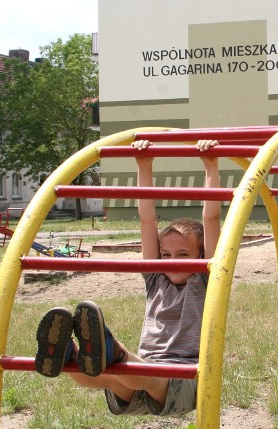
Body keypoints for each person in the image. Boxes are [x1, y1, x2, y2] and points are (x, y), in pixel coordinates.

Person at [34, 139, 221, 416]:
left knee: (136, 373)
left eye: (183, 254)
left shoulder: (207, 277)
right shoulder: (155, 277)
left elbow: (212, 218)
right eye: (165, 254)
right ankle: (67, 356)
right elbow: (147, 220)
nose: (172, 261)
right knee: (106, 377)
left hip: (186, 375)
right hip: (142, 366)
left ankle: (114, 351)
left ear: (202, 254)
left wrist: (211, 166)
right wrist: (143, 165)